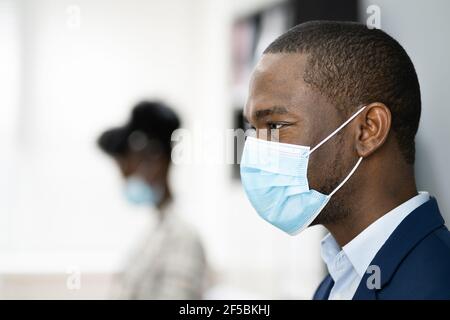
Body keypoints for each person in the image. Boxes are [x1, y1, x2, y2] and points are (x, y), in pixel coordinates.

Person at [240, 21, 450, 299]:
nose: (257, 148)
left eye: (276, 126)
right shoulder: (335, 282)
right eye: (254, 129)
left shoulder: (437, 282)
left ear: (368, 130)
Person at [98, 101, 207, 299]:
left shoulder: (181, 238)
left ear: (154, 162)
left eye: (126, 170)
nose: (124, 179)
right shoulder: (157, 231)